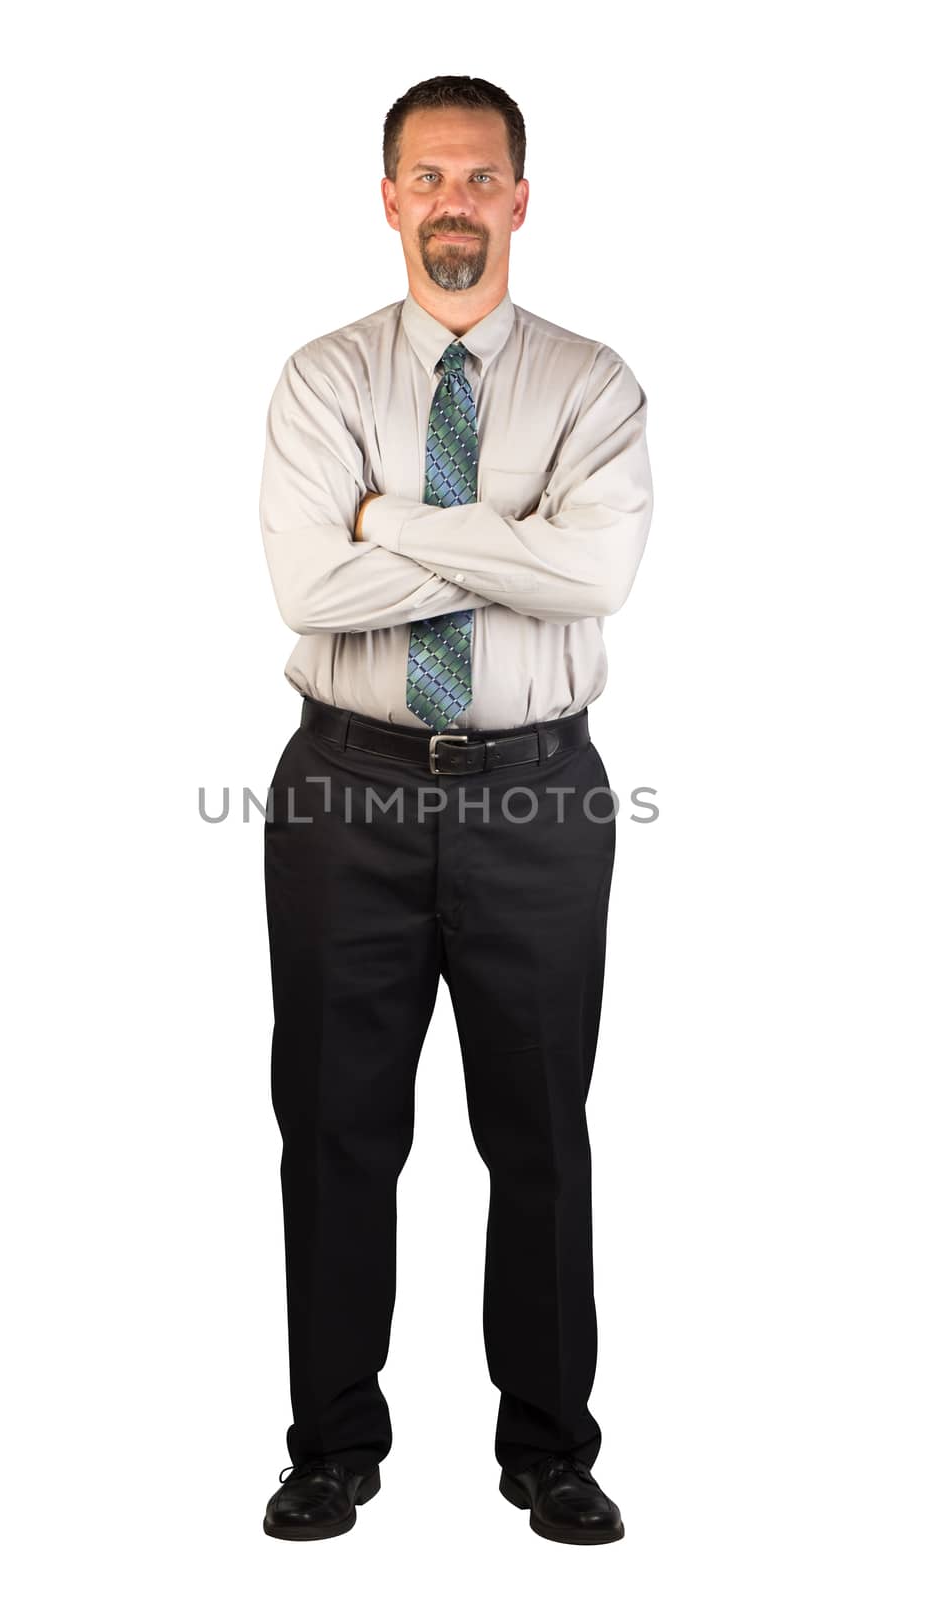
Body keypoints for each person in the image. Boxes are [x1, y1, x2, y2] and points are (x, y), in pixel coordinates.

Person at [257, 74, 653, 1545]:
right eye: (428, 179)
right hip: (342, 792)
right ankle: (331, 1446)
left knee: (540, 1130)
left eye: (480, 179)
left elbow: (597, 579)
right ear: (389, 199)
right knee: (336, 1126)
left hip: (538, 794)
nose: (454, 205)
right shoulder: (322, 381)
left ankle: (550, 1449)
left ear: (520, 200)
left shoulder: (593, 385)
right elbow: (309, 591)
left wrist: (393, 522)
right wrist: (513, 545)